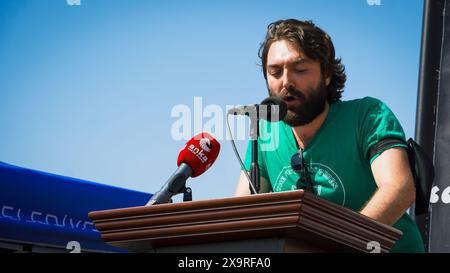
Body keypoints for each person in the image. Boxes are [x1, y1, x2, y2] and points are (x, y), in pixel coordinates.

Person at [234, 19, 424, 253]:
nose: (286, 81)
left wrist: (344, 244)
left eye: (300, 69)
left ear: (326, 75)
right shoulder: (264, 132)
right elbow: (242, 214)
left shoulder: (368, 115)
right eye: (275, 72)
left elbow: (400, 187)